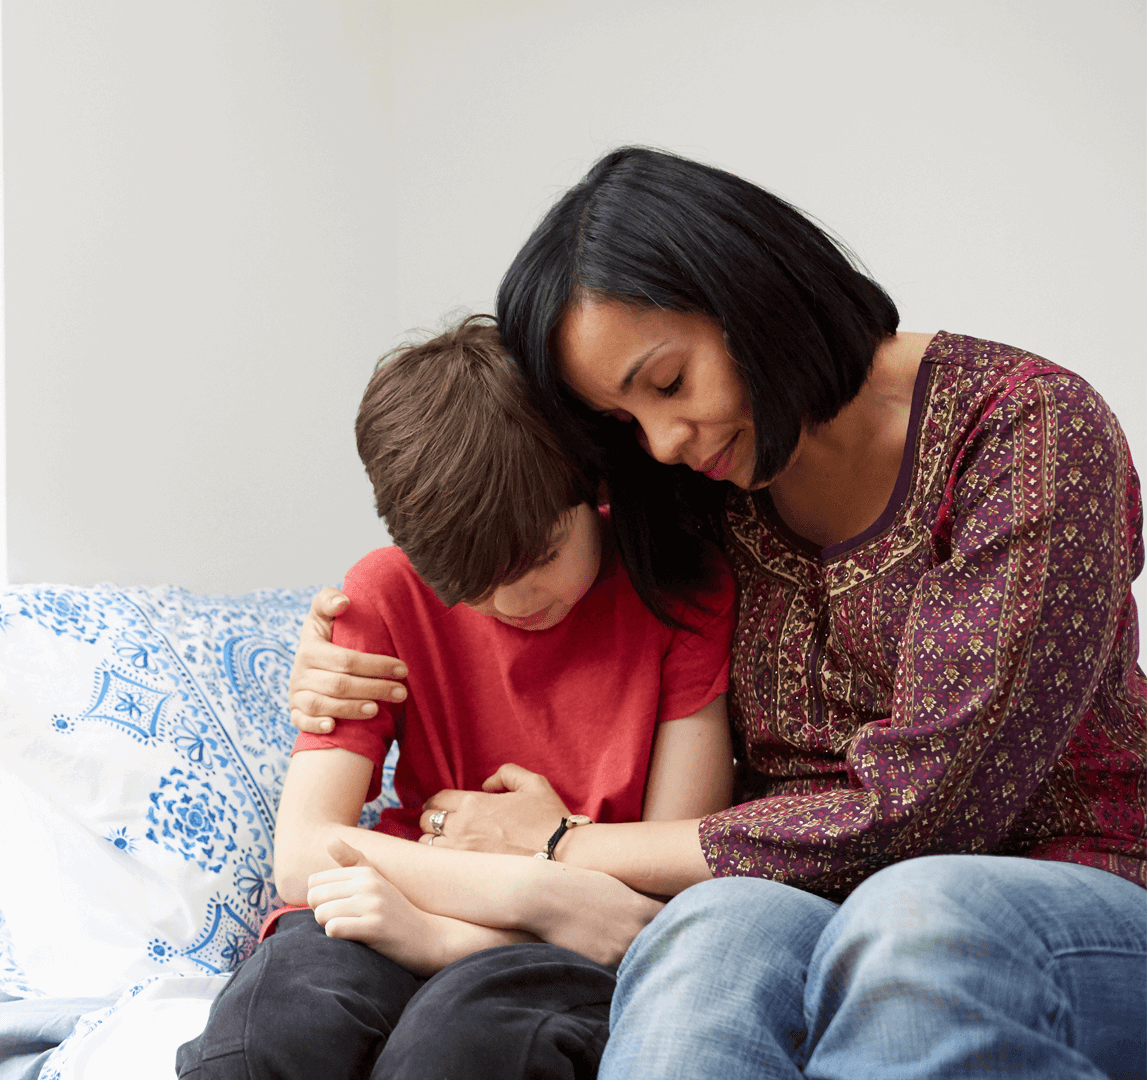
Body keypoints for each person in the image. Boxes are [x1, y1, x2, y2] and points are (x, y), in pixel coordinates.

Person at [285, 147, 1147, 1079]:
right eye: (622, 420)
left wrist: (564, 846)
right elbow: (513, 530)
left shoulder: (1027, 433)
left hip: (1063, 885)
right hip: (780, 892)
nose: (660, 441)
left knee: (914, 920)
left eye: (667, 383)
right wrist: (339, 641)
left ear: (750, 297)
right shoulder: (692, 482)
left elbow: (928, 815)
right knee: (697, 956)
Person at [177, 316, 737, 1080]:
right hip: (408, 902)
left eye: (538, 557)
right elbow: (304, 854)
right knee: (270, 1033)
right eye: (470, 586)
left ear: (588, 482)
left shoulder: (682, 592)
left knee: (463, 1049)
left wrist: (451, 937)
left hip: (558, 951)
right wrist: (535, 891)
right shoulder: (383, 591)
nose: (512, 599)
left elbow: (660, 897)